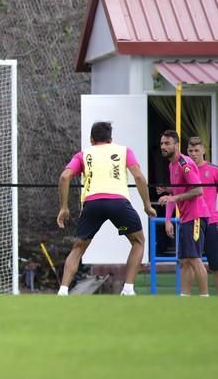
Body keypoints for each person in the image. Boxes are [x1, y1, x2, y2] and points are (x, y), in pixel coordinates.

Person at [56, 121, 156, 296]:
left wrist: (64, 208)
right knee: (138, 242)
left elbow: (65, 177)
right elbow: (139, 176)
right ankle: (128, 288)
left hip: (92, 204)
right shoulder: (124, 151)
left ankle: (63, 290)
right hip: (118, 203)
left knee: (78, 248)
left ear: (92, 139)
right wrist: (147, 205)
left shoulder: (83, 155)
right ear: (110, 138)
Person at [159, 131, 211, 296]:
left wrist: (174, 196)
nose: (163, 146)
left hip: (196, 215)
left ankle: (204, 297)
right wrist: (168, 219)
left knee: (194, 258)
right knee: (184, 260)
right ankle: (184, 297)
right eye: (162, 143)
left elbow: (198, 190)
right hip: (185, 217)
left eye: (167, 143)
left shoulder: (184, 163)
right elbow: (174, 194)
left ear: (176, 145)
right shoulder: (171, 165)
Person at [184, 136, 218, 291]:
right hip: (192, 220)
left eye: (197, 150)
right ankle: (187, 299)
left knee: (216, 264)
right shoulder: (185, 171)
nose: (193, 154)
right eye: (190, 151)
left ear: (204, 150)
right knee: (189, 260)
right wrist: (168, 219)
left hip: (212, 222)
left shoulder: (214, 170)